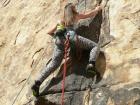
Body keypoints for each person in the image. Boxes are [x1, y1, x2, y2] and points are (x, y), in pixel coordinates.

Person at [31, 3, 102, 97]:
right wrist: (97, 9)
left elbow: (49, 32)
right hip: (71, 38)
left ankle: (37, 83)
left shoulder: (60, 21)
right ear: (72, 10)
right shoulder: (76, 16)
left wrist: (56, 37)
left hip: (59, 41)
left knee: (53, 64)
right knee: (95, 47)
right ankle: (91, 64)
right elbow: (90, 14)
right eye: (74, 8)